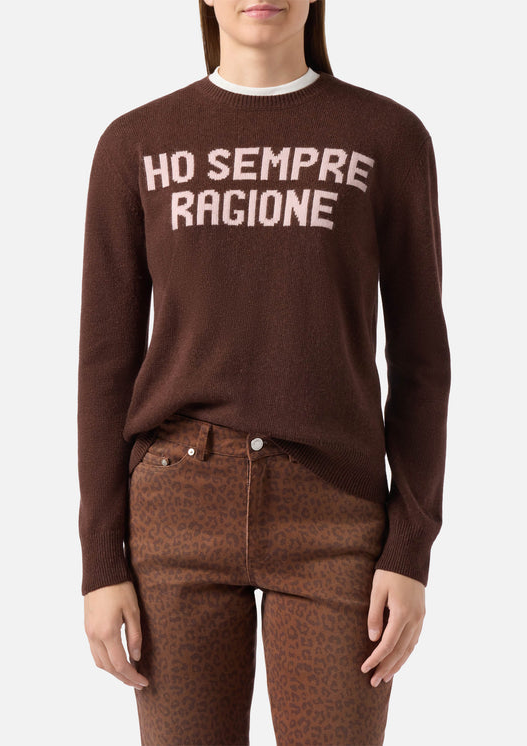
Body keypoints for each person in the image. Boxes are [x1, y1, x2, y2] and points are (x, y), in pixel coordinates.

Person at [77, 1, 451, 744]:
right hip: (176, 508)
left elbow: (420, 359)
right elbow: (104, 364)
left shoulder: (386, 136)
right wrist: (100, 560)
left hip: (336, 515)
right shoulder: (135, 143)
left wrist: (411, 546)